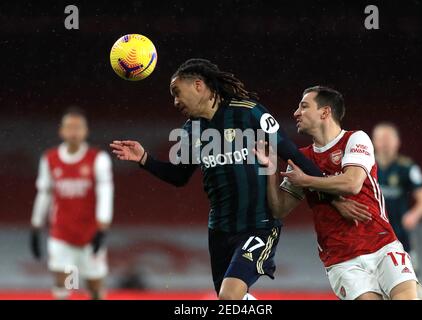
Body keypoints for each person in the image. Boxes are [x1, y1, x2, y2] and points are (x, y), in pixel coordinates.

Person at [110, 59, 368, 300]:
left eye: (177, 92)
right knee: (230, 302)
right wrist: (144, 159)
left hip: (258, 225)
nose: (175, 101)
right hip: (219, 230)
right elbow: (178, 177)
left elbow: (291, 154)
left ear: (198, 85)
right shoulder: (192, 130)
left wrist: (335, 198)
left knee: (228, 296)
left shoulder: (249, 113)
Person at [255, 85, 422, 300]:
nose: (296, 113)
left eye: (304, 106)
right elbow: (279, 209)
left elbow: (352, 183)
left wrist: (307, 180)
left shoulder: (356, 139)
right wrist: (269, 169)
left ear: (325, 112)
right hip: (341, 258)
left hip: (382, 244)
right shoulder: (301, 159)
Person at [30, 108, 114, 300]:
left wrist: (102, 227)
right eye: (69, 127)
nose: (74, 132)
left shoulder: (98, 159)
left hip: (89, 235)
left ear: (86, 131)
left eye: (78, 128)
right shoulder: (50, 159)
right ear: (61, 131)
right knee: (65, 283)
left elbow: (105, 194)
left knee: (94, 286)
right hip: (62, 234)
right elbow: (44, 194)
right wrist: (35, 226)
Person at [372, 122, 422, 270]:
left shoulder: (407, 168)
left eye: (389, 139)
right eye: (381, 139)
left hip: (400, 234)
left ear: (398, 142)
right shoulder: (365, 166)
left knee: (408, 283)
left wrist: (413, 215)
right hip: (372, 235)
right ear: (373, 141)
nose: (385, 144)